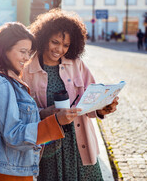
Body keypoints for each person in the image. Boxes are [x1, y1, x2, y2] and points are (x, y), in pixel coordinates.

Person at [0, 22, 82, 181]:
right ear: (4, 50)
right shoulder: (0, 84)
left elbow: (10, 118)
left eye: (29, 52)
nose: (26, 58)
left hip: (9, 168)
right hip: (5, 173)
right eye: (22, 52)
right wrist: (56, 121)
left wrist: (44, 113)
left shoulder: (6, 78)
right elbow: (13, 134)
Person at [22, 9, 119, 181]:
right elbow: (21, 112)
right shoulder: (26, 70)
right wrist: (49, 113)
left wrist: (102, 108)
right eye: (55, 42)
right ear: (43, 37)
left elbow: (92, 100)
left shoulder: (77, 65)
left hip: (79, 142)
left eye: (66, 45)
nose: (60, 49)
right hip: (48, 146)